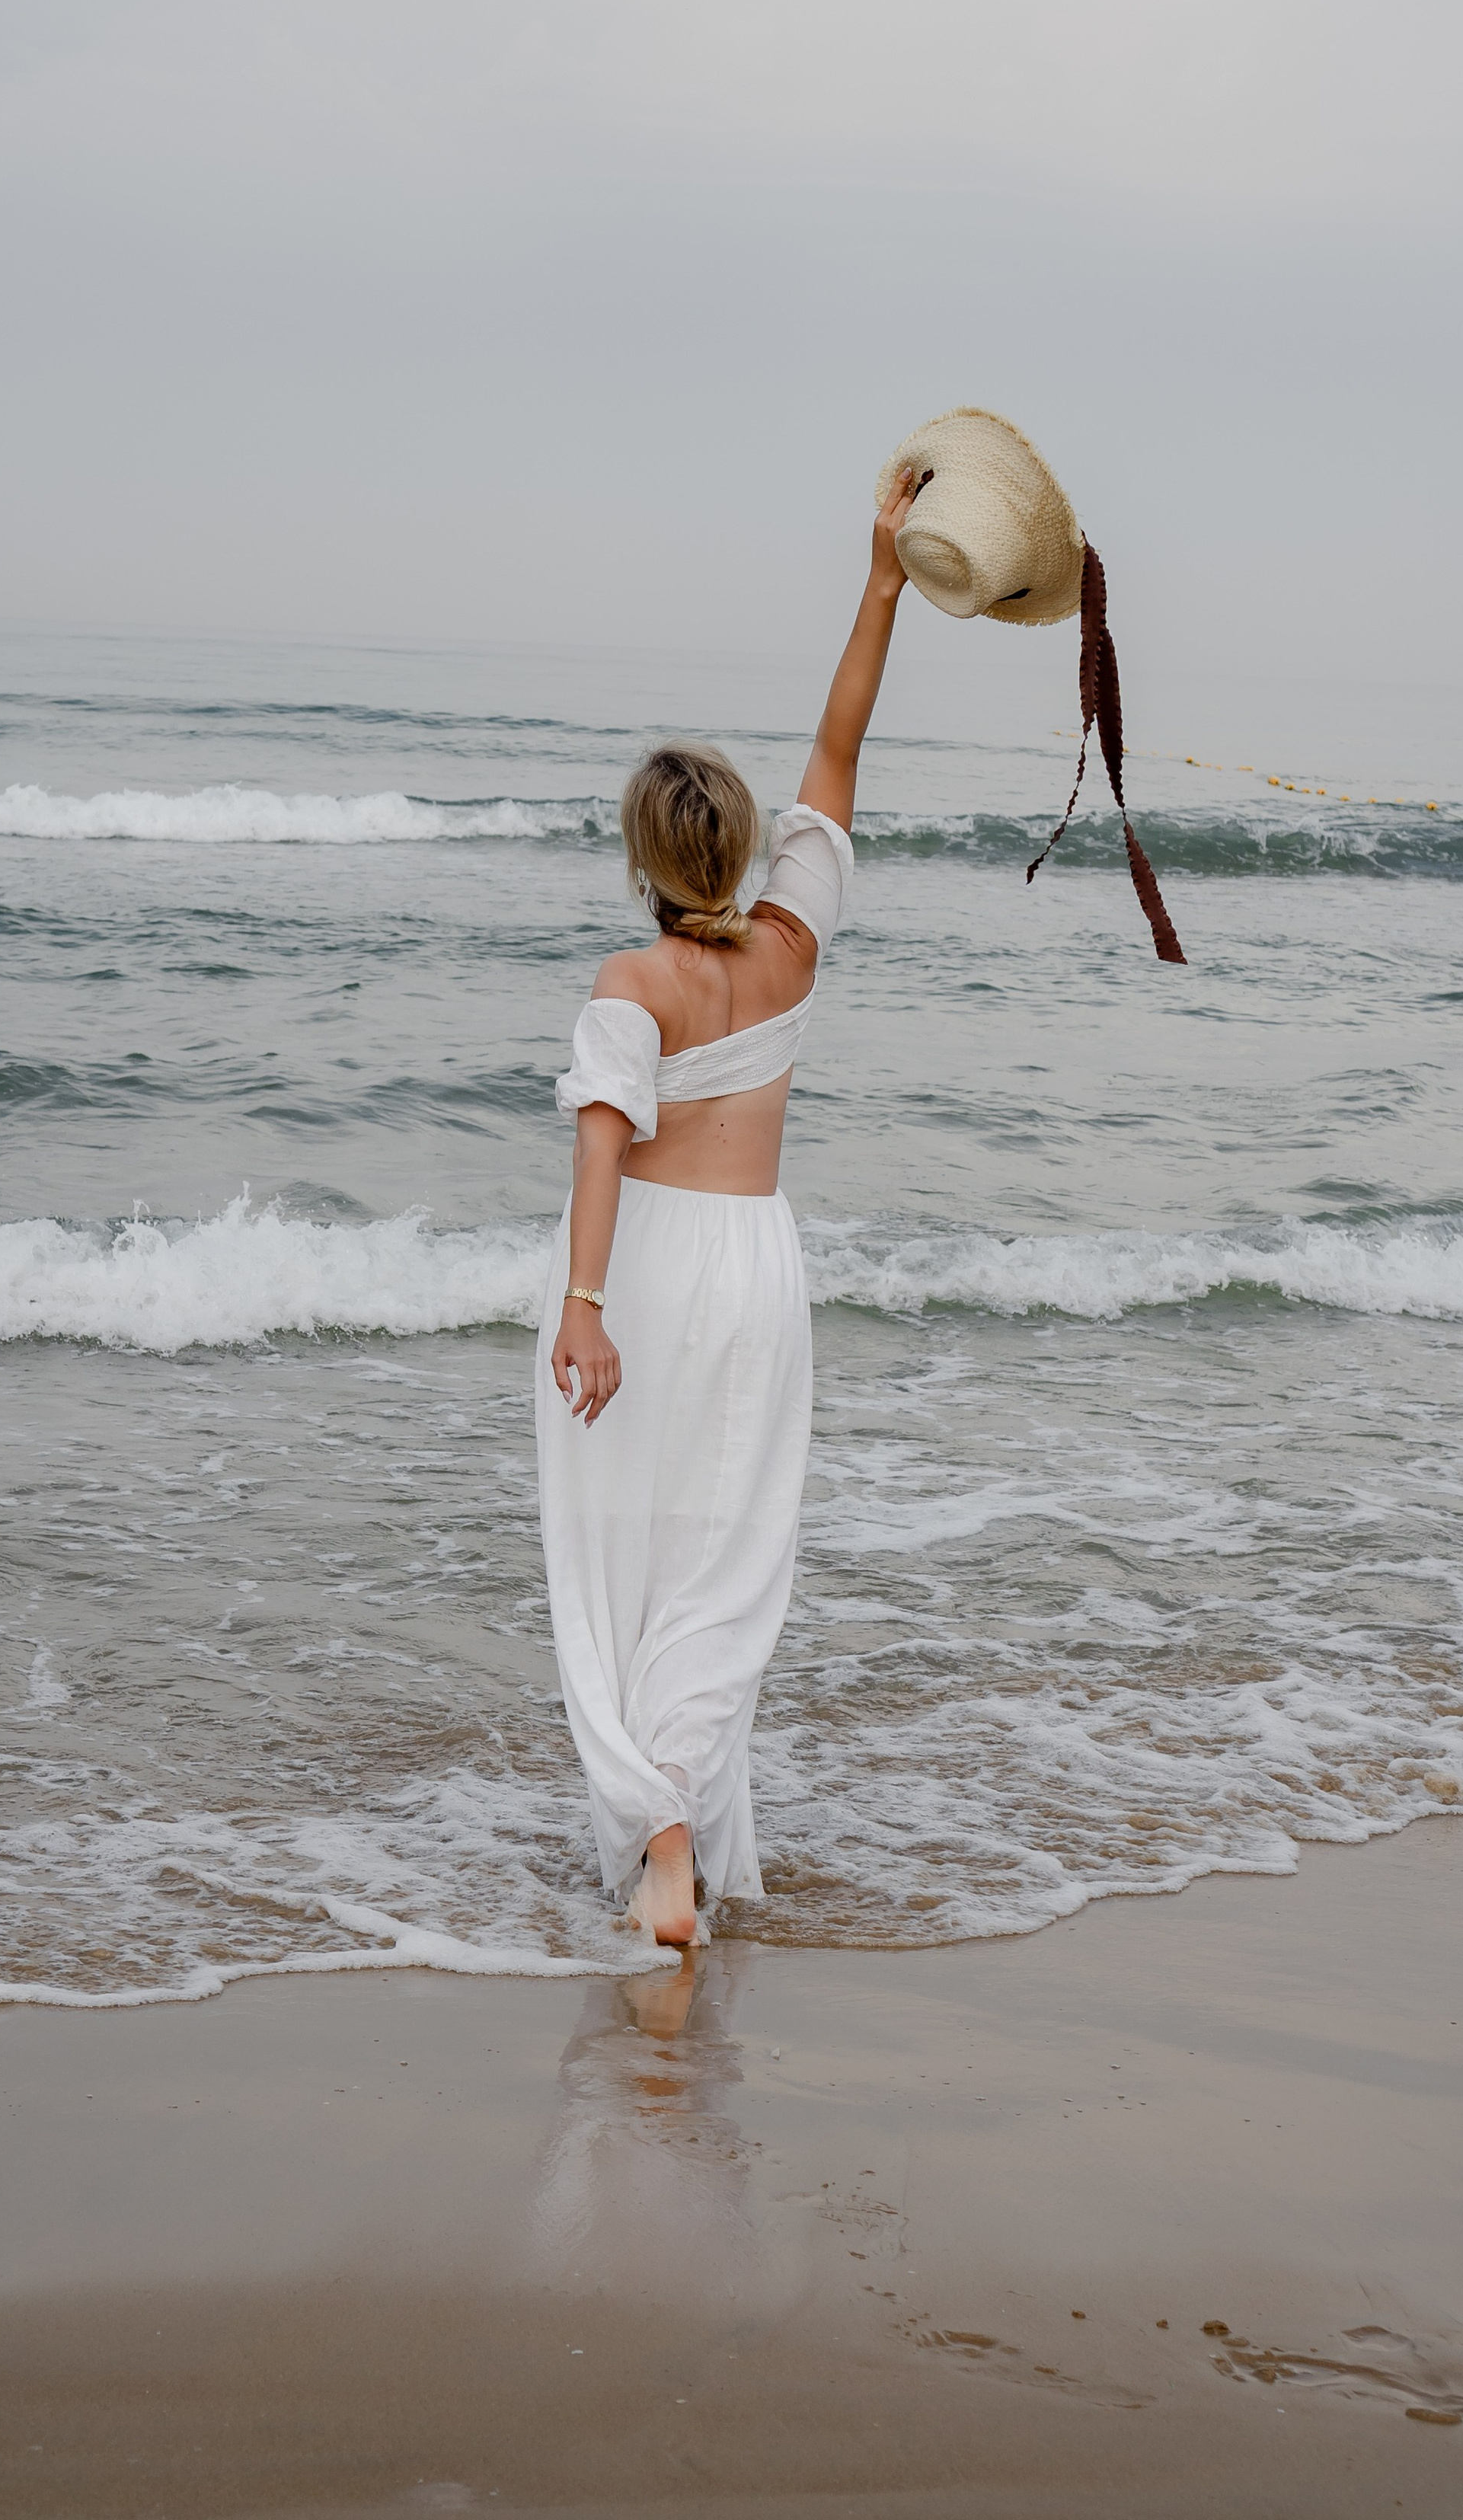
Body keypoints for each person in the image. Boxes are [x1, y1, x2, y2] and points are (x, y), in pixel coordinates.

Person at [536, 467, 918, 1947]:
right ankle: (673, 1826)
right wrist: (881, 577)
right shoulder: (790, 945)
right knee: (720, 1551)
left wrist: (583, 1311)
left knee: (616, 1548)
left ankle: (664, 1835)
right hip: (758, 1271)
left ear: (641, 859)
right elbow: (840, 739)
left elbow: (597, 1147)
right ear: (742, 846)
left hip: (640, 1273)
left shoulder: (628, 988)